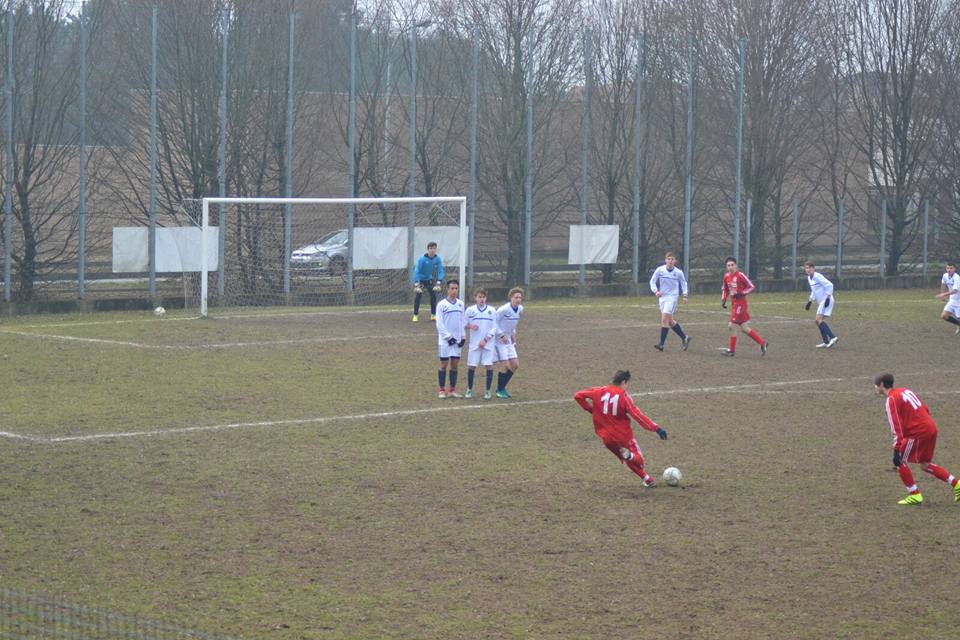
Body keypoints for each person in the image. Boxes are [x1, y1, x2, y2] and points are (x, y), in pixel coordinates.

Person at [874, 373, 960, 505]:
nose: (875, 388)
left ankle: (914, 494)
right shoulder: (905, 390)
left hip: (918, 432)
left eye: (876, 385)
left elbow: (895, 426)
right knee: (925, 465)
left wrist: (896, 448)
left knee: (899, 460)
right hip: (930, 427)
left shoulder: (891, 399)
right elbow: (925, 408)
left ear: (881, 385)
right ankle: (957, 484)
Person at [574, 370, 669, 488]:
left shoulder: (599, 390)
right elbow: (637, 415)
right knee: (638, 460)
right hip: (623, 436)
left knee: (626, 457)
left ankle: (647, 479)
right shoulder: (624, 396)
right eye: (627, 383)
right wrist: (656, 428)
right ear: (623, 382)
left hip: (607, 438)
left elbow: (578, 395)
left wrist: (590, 409)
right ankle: (631, 456)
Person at [720, 257, 768, 357]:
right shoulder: (726, 276)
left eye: (732, 265)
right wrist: (723, 299)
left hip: (740, 304)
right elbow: (725, 288)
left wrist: (741, 293)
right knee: (744, 328)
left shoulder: (740, 275)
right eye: (728, 265)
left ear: (736, 265)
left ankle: (732, 351)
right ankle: (762, 343)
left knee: (731, 325)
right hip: (734, 304)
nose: (730, 267)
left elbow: (751, 286)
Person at [649, 251, 691, 352]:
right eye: (668, 259)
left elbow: (683, 283)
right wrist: (656, 291)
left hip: (672, 297)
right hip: (662, 297)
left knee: (664, 319)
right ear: (665, 260)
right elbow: (652, 281)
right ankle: (685, 338)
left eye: (672, 259)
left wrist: (685, 295)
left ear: (675, 261)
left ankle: (661, 344)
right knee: (670, 321)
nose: (670, 261)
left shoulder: (678, 272)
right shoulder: (660, 270)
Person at [463, 287, 497, 400]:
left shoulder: (492, 310)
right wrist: (470, 326)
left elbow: (494, 328)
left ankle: (487, 391)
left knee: (489, 366)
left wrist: (486, 340)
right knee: (472, 366)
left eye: (483, 297)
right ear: (475, 298)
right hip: (474, 344)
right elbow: (463, 323)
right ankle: (469, 389)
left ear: (486, 298)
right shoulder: (470, 310)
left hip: (488, 344)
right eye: (479, 297)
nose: (481, 299)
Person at [435, 280, 465, 399]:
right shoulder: (441, 304)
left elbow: (462, 321)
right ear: (447, 290)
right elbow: (439, 324)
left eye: (456, 288)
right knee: (443, 364)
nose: (454, 291)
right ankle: (442, 390)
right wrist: (448, 337)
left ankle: (452, 390)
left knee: (455, 365)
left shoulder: (461, 304)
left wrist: (463, 337)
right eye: (452, 288)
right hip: (445, 341)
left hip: (457, 341)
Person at [494, 287, 524, 399]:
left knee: (515, 365)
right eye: (516, 297)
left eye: (520, 297)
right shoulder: (504, 309)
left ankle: (501, 388)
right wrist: (501, 335)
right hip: (499, 339)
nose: (518, 299)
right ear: (511, 298)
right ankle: (499, 390)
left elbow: (513, 324)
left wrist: (513, 334)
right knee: (505, 365)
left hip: (509, 340)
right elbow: (494, 322)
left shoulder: (520, 309)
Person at [803, 261, 838, 348]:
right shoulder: (809, 278)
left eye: (809, 268)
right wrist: (810, 301)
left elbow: (830, 285)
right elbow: (814, 291)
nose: (807, 270)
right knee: (818, 321)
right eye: (806, 268)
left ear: (813, 268)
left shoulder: (817, 276)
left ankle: (833, 337)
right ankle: (826, 342)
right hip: (822, 301)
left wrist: (828, 297)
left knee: (818, 320)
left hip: (826, 300)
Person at [412, 242, 445, 322]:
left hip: (429, 279)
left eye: (434, 248)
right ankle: (415, 315)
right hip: (420, 279)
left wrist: (438, 282)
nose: (432, 250)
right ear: (428, 249)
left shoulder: (437, 259)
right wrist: (416, 284)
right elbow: (417, 271)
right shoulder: (422, 259)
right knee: (418, 296)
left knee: (433, 295)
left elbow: (440, 270)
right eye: (431, 248)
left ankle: (433, 315)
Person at [936, 261, 960, 335]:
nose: (949, 270)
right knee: (944, 316)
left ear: (954, 269)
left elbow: (955, 291)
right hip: (952, 300)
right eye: (947, 268)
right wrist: (942, 294)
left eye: (951, 268)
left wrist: (944, 294)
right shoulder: (945, 275)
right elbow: (943, 284)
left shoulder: (957, 277)